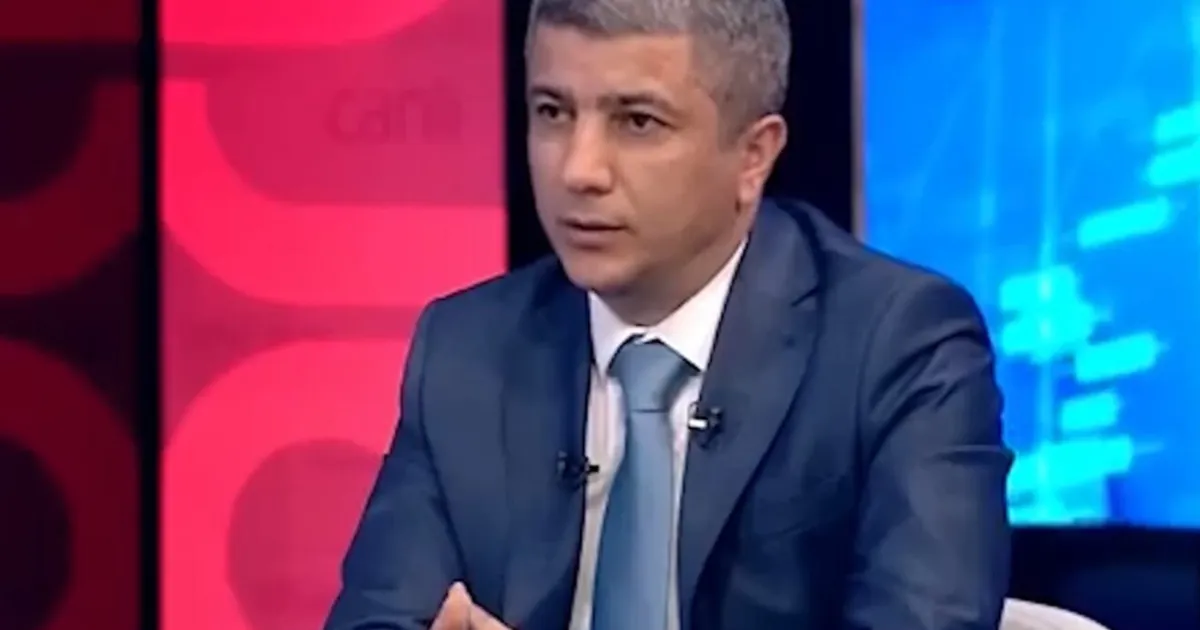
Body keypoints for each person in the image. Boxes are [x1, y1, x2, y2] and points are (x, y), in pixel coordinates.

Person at [324, 0, 1013, 628]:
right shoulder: (469, 348)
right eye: (553, 112)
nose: (579, 170)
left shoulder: (899, 344)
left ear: (753, 155)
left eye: (637, 122)